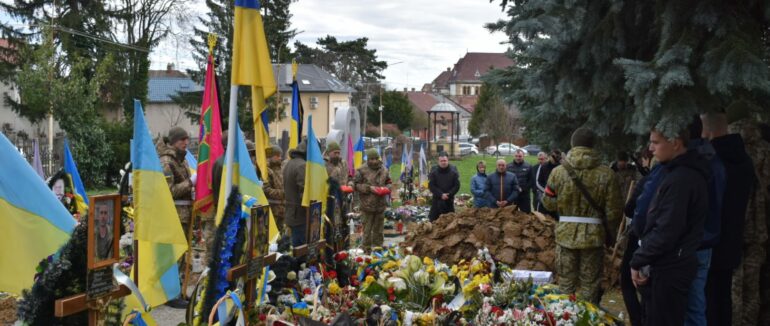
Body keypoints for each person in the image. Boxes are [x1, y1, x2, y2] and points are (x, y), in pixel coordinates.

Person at [630, 126, 709, 326]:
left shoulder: (682, 179)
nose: (651, 148)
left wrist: (638, 260)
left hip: (671, 267)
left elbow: (667, 229)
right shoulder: (673, 173)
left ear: (675, 143)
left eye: (656, 142)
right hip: (666, 264)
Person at [542, 128, 622, 303]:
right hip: (593, 237)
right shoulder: (607, 174)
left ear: (572, 144)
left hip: (565, 235)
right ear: (593, 145)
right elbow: (614, 212)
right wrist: (610, 232)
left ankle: (564, 318)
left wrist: (564, 207)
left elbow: (547, 202)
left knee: (565, 284)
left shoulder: (558, 172)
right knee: (590, 285)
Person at [701, 112, 755, 326]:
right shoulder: (744, 159)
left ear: (709, 131)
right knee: (723, 298)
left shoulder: (712, 162)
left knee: (708, 300)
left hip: (709, 240)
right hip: (733, 236)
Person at [683, 118, 725, 326]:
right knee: (696, 304)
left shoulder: (688, 162)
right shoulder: (714, 160)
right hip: (707, 239)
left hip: (688, 241)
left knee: (686, 306)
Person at [728, 117, 769, 326]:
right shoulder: (765, 150)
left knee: (733, 287)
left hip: (731, 229)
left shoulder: (727, 148)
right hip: (759, 228)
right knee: (753, 289)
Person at [157, 127, 196, 308]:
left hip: (185, 215)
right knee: (174, 255)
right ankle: (170, 294)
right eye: (182, 140)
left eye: (187, 139)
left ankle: (179, 290)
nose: (186, 143)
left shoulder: (183, 160)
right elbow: (169, 191)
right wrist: (191, 183)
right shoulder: (167, 161)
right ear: (173, 142)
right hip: (173, 216)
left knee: (182, 254)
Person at [352, 148, 392, 251]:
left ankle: (378, 250)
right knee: (367, 231)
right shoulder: (361, 170)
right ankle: (366, 251)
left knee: (379, 231)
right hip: (367, 206)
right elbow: (355, 185)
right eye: (371, 159)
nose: (374, 161)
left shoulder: (384, 169)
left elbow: (389, 181)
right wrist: (369, 188)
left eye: (376, 158)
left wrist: (387, 188)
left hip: (380, 206)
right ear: (367, 159)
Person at [283, 139, 307, 247]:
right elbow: (304, 193)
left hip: (291, 213)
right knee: (300, 249)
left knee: (293, 247)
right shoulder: (302, 165)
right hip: (300, 215)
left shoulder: (289, 163)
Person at [427, 152, 460, 221]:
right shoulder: (434, 171)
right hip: (437, 200)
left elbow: (457, 185)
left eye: (445, 160)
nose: (443, 162)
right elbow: (431, 186)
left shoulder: (453, 172)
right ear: (438, 162)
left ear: (448, 160)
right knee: (432, 222)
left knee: (451, 223)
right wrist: (441, 194)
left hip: (449, 201)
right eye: (441, 161)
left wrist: (449, 194)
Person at [263, 144, 285, 235]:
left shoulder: (281, 169)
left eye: (280, 156)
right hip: (273, 210)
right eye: (277, 156)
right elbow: (266, 190)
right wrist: (283, 193)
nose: (280, 158)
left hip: (282, 209)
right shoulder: (266, 171)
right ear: (271, 157)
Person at [534, 150, 561, 216]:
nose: (555, 158)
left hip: (558, 196)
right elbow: (538, 182)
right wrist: (547, 191)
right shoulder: (544, 166)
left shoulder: (561, 167)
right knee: (542, 215)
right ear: (549, 157)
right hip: (545, 195)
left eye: (557, 157)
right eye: (553, 156)